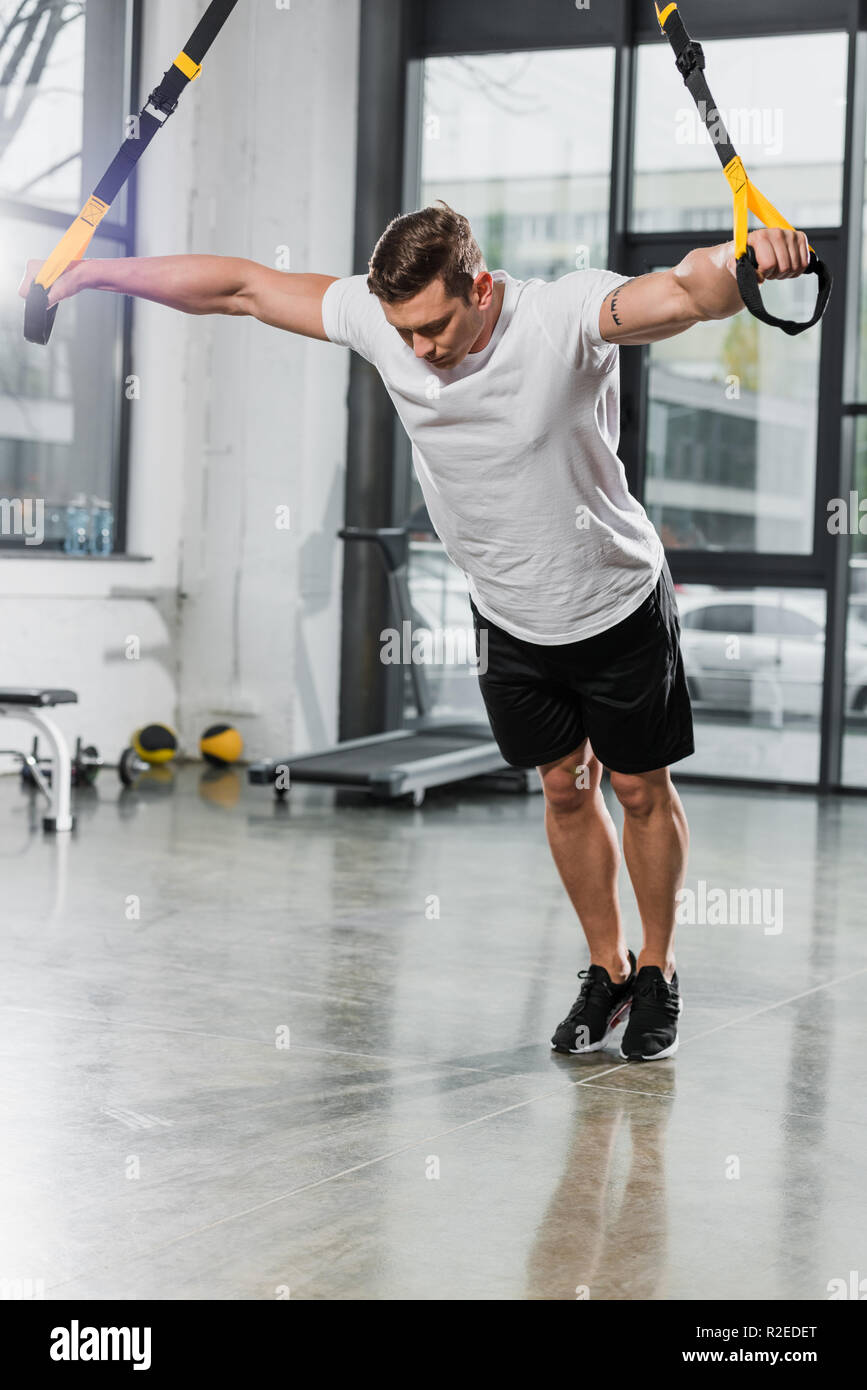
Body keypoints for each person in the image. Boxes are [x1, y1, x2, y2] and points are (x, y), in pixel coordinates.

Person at [20, 202, 813, 1060]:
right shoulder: (384, 320)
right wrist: (96, 273)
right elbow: (241, 288)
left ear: (477, 286)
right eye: (402, 333)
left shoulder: (563, 317)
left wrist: (746, 265)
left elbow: (684, 293)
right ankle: (606, 968)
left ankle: (657, 971)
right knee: (560, 789)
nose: (420, 351)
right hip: (507, 613)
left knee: (635, 790)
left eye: (435, 326)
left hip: (611, 599)